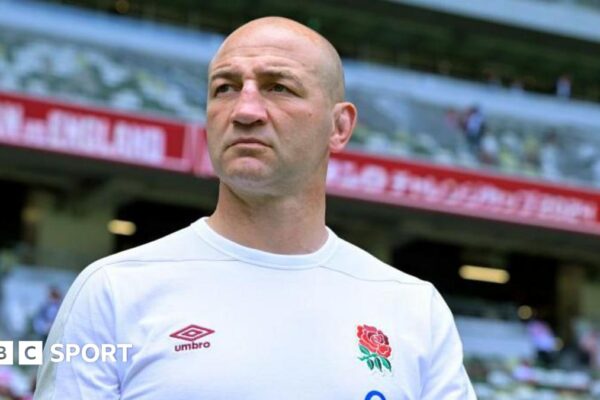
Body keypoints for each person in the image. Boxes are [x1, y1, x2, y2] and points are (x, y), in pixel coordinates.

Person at [34, 17, 475, 399]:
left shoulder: (413, 308)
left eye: (278, 87)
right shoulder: (112, 290)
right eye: (225, 88)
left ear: (339, 126)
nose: (245, 110)